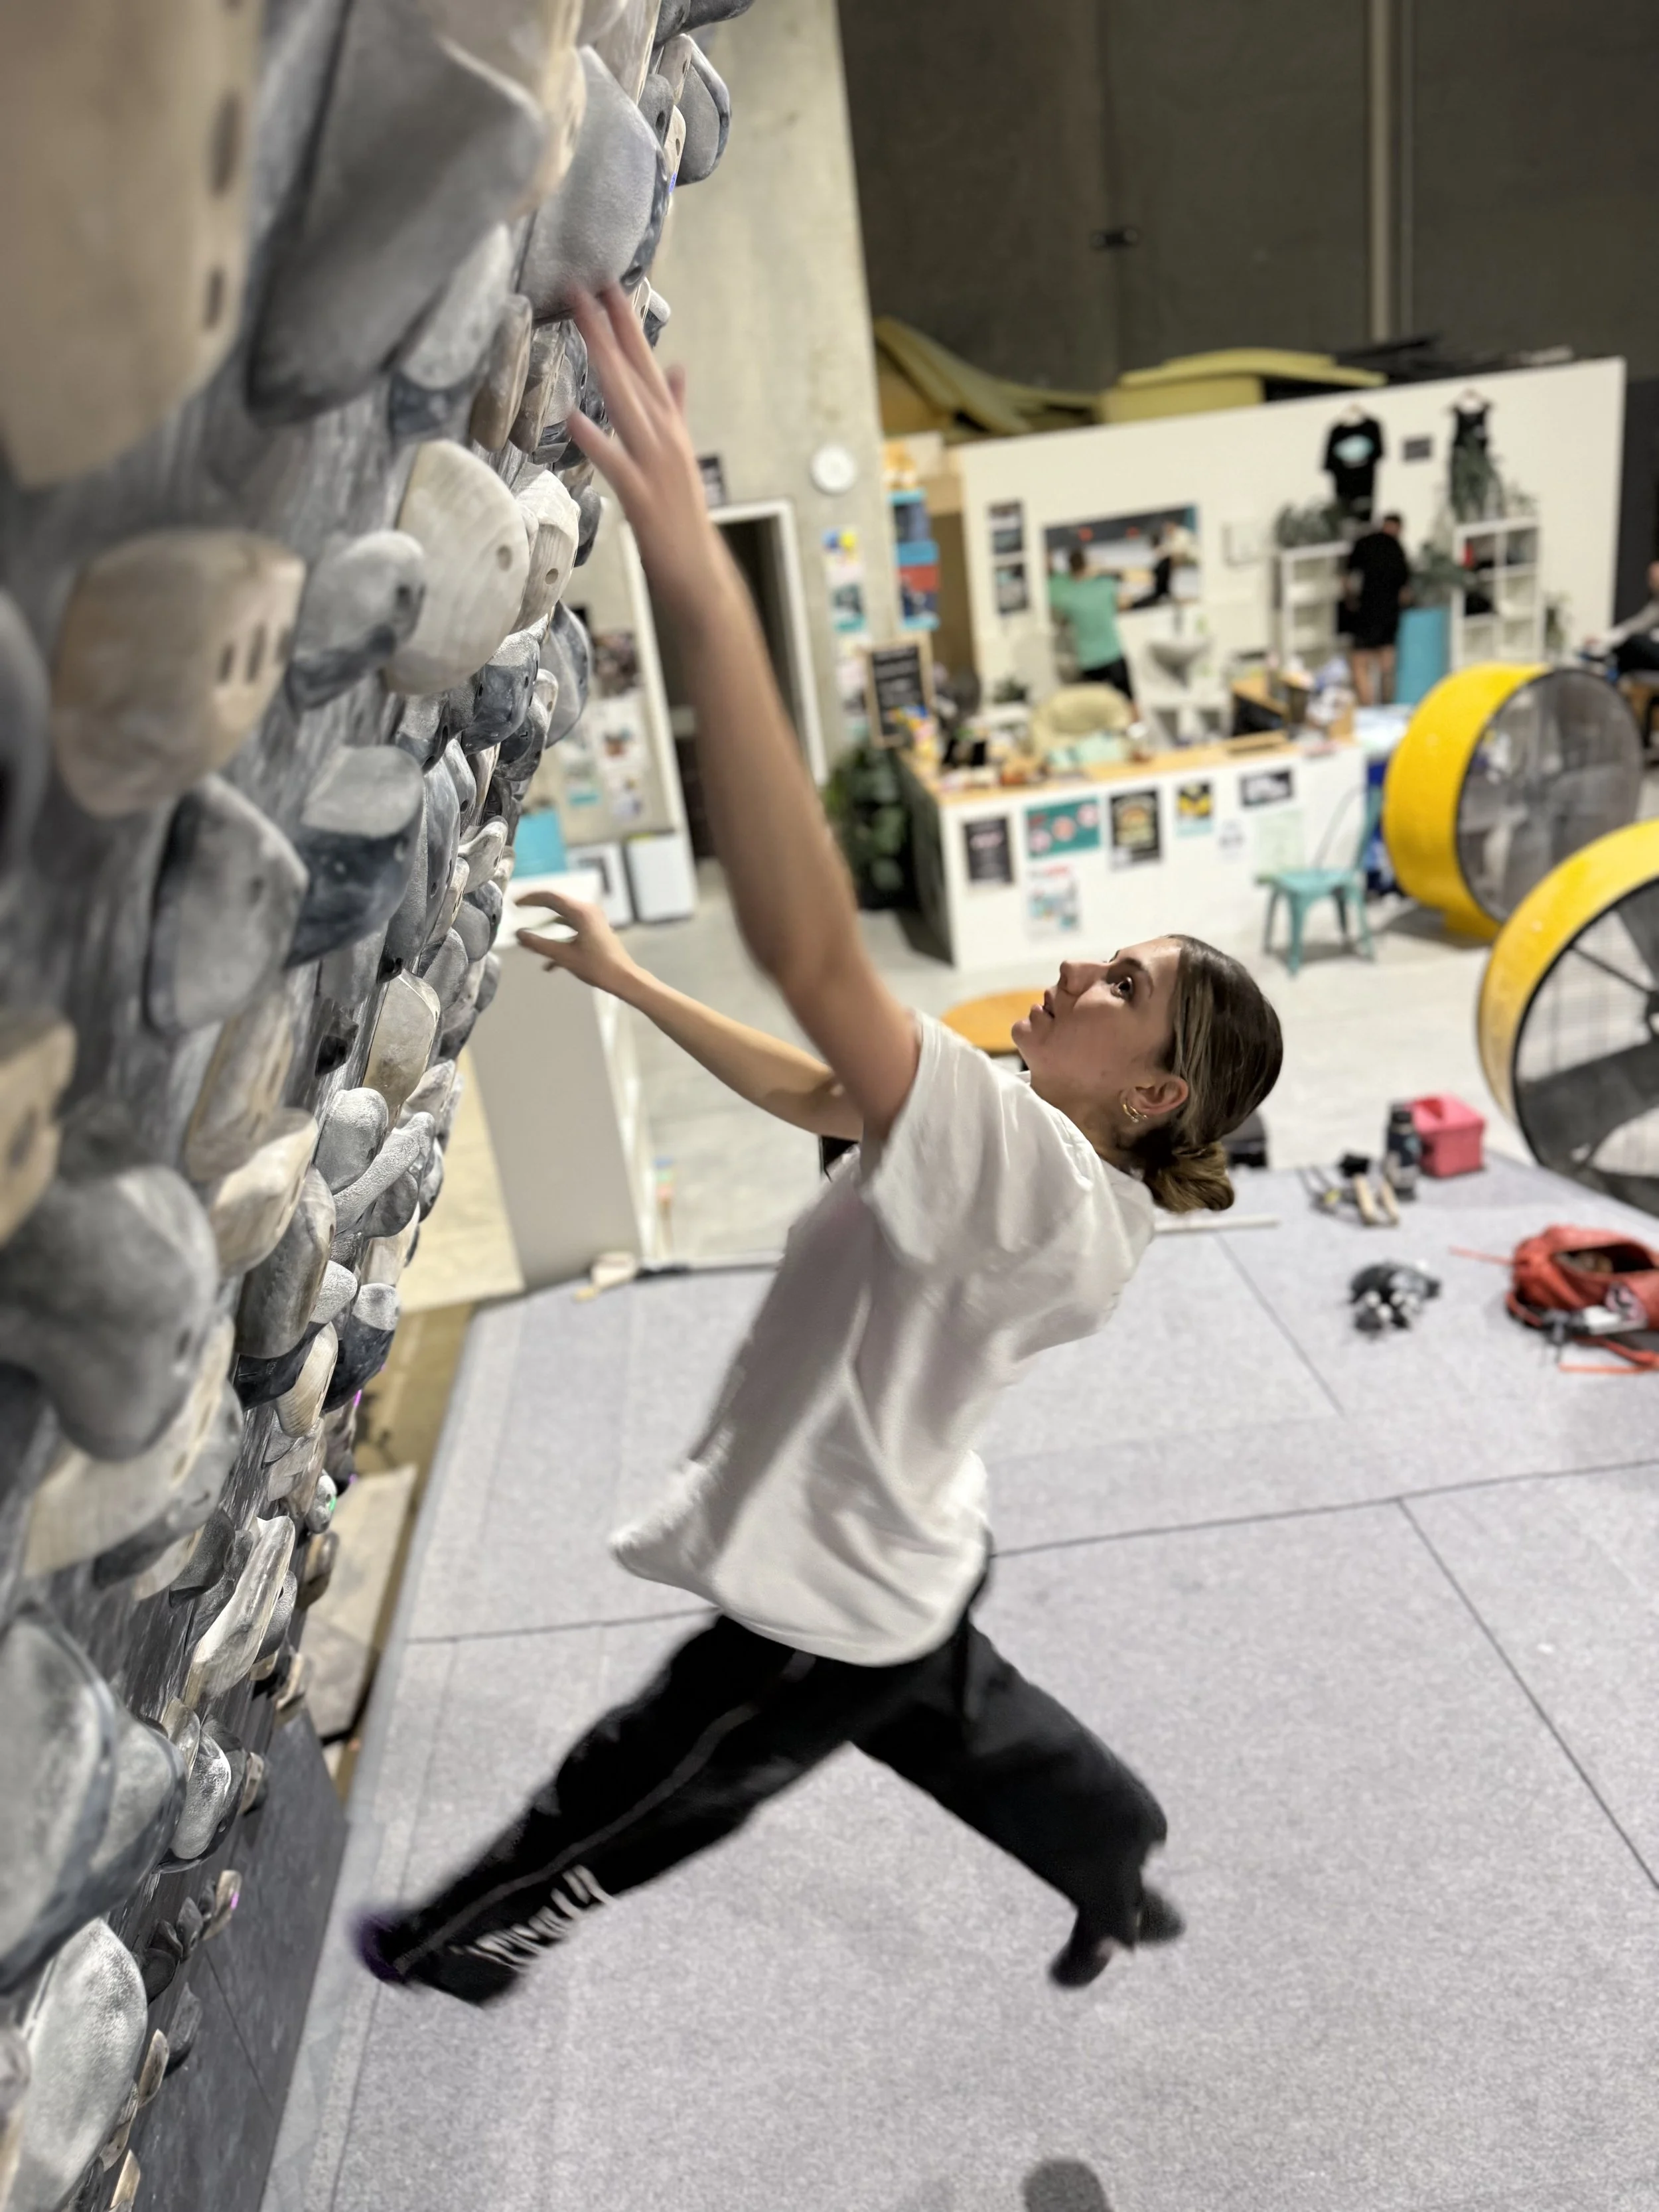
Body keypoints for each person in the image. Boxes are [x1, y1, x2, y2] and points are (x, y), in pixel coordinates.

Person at [354, 285, 1285, 2007]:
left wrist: (699, 589)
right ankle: (1119, 1855)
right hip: (909, 1532)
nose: (1075, 970)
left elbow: (811, 954)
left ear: (1154, 1094)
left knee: (662, 1764)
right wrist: (629, 977)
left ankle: (471, 1935)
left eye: (1121, 987)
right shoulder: (1027, 1144)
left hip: (839, 1583)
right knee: (974, 1734)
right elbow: (812, 1090)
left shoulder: (1025, 1171)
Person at [1047, 546, 1134, 700]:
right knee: (1128, 703)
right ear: (1087, 565)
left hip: (1087, 661)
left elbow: (1061, 620)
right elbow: (1123, 604)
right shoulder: (1106, 586)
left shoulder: (1068, 599)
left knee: (1097, 708)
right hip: (1113, 654)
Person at [1344, 512, 1412, 705]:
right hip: (1390, 614)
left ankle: (1368, 708)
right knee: (1387, 665)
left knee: (1360, 664)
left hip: (1366, 612)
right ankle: (1387, 706)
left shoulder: (1364, 543)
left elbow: (1347, 579)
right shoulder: (1398, 549)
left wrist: (1350, 602)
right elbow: (1405, 592)